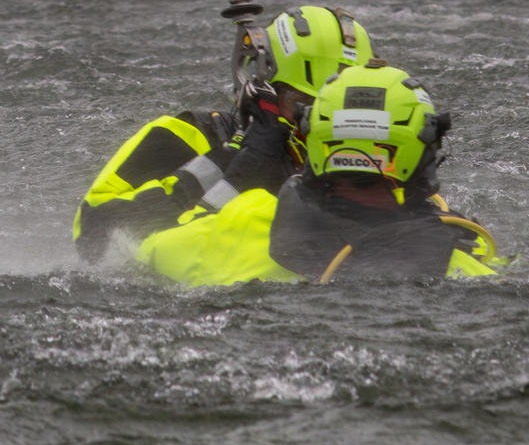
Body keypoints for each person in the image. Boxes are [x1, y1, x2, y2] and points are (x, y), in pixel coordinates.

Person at [134, 62, 497, 286]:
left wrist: (238, 166)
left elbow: (146, 250)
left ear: (314, 137)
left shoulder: (238, 223)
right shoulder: (462, 267)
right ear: (424, 148)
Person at [73, 5, 372, 263]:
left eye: (332, 110)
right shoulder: (185, 136)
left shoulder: (373, 160)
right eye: (301, 103)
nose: (313, 121)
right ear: (262, 88)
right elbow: (94, 233)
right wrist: (238, 160)